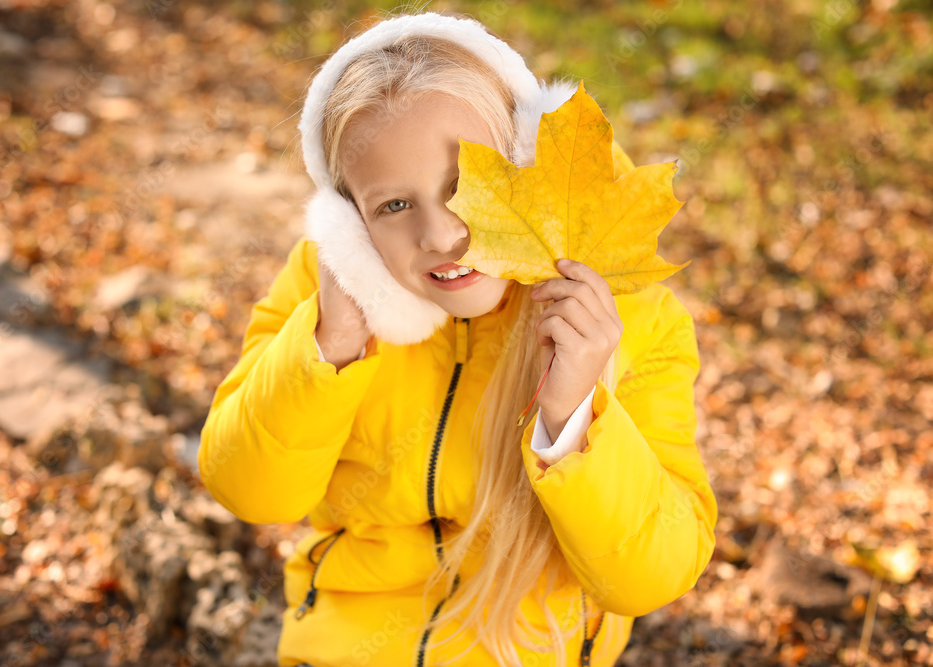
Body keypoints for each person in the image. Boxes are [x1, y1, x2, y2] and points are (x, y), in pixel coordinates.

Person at [198, 11, 717, 667]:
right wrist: (329, 348)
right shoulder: (324, 293)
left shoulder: (632, 323)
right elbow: (251, 490)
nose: (439, 235)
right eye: (393, 205)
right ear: (350, 229)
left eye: (463, 185)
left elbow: (650, 575)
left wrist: (572, 415)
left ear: (527, 166)